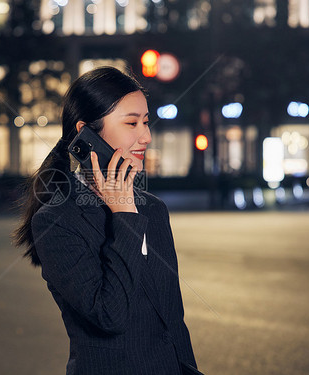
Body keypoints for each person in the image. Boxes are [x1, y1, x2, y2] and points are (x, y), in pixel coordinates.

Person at [12, 66, 201, 375]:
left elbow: (172, 320)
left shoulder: (153, 209)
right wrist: (123, 214)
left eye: (146, 122)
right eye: (131, 123)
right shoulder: (56, 221)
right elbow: (110, 316)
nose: (146, 136)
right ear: (86, 133)